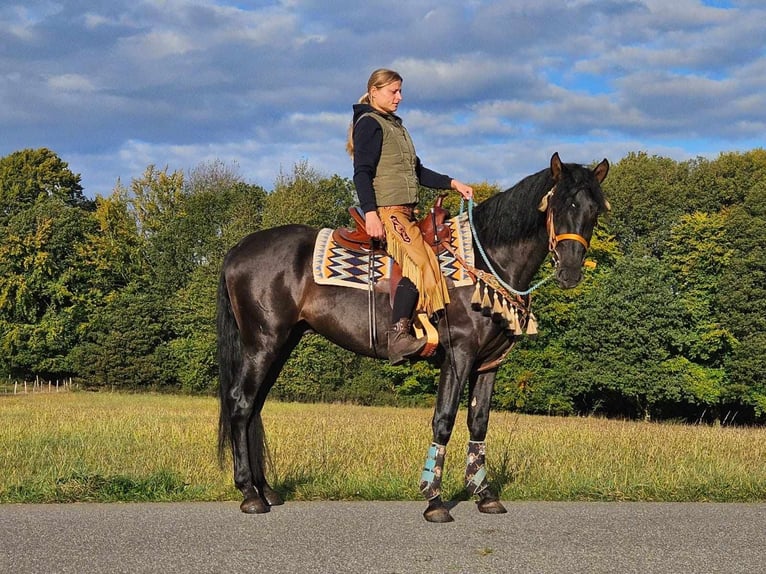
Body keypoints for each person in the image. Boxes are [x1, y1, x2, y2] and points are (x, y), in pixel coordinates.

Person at [346, 68, 474, 365]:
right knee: (418, 264)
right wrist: (371, 215)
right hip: (388, 213)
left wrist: (452, 183)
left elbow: (417, 171)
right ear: (374, 91)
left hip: (406, 212)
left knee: (431, 261)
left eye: (400, 91)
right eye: (393, 91)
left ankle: (429, 328)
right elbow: (361, 173)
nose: (399, 97)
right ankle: (398, 336)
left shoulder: (396, 127)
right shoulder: (370, 124)